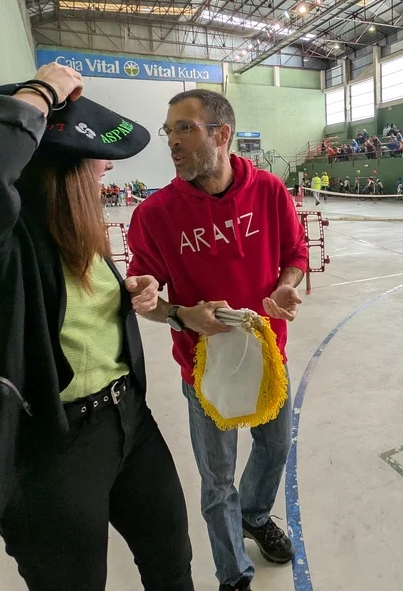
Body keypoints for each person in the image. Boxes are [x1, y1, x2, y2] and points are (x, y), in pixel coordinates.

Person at [0, 63, 193, 591]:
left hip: (130, 422)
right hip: (54, 445)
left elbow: (77, 313)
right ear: (57, 166)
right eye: (94, 157)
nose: (105, 168)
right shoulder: (1, 246)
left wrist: (130, 295)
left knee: (172, 565)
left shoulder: (74, 230)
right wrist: (41, 91)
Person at [125, 89, 308, 591]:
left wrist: (285, 286)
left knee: (274, 448)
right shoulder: (155, 215)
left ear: (222, 134)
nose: (172, 141)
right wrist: (173, 311)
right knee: (218, 479)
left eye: (184, 128)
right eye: (169, 131)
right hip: (203, 370)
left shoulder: (269, 191)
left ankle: (255, 515)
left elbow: (295, 253)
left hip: (268, 358)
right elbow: (147, 296)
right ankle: (234, 575)